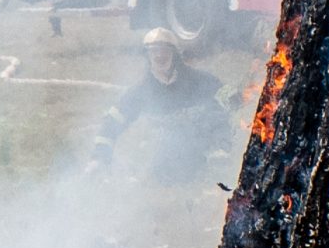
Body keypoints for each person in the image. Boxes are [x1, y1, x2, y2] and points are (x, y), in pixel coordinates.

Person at [88, 28, 230, 185]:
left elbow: (230, 101)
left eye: (165, 50)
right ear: (147, 56)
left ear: (175, 54)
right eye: (154, 51)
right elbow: (113, 122)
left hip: (202, 154)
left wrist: (222, 144)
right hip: (163, 163)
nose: (159, 55)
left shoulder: (199, 80)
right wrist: (99, 157)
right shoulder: (140, 92)